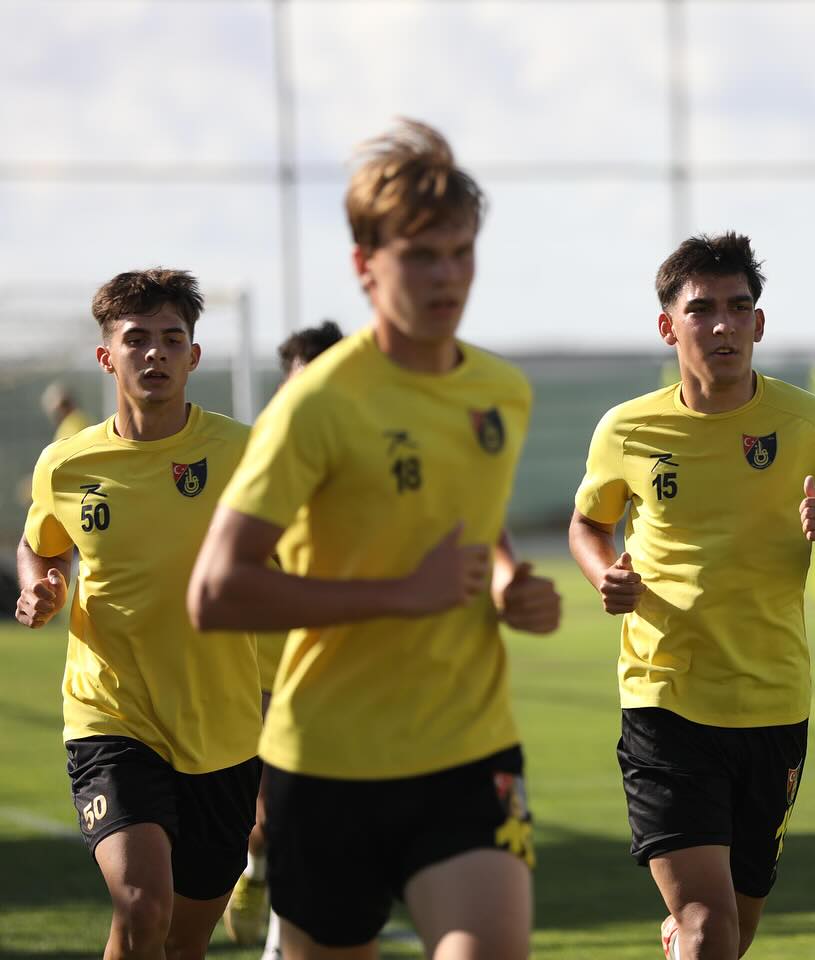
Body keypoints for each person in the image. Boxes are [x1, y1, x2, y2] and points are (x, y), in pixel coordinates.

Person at [186, 118, 560, 960]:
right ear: (365, 265)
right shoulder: (318, 403)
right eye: (421, 256)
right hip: (329, 766)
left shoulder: (503, 392)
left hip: (469, 750)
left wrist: (509, 584)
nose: (447, 275)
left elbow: (467, 515)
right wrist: (399, 594)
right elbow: (214, 591)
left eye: (460, 252)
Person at [569, 232, 815, 960]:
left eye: (739, 308)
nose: (723, 326)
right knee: (710, 926)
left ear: (759, 323)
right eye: (702, 309)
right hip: (665, 696)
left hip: (774, 703)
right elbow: (587, 525)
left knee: (732, 932)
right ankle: (689, 931)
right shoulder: (627, 428)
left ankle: (683, 938)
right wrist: (604, 573)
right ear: (667, 326)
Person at [15, 268, 261, 960]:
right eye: (137, 339)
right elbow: (40, 546)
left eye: (172, 339)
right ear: (107, 356)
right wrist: (40, 586)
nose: (155, 353)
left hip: (223, 728)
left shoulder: (244, 453)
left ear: (194, 355)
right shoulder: (66, 464)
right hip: (111, 716)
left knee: (184, 941)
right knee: (142, 904)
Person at [222, 319, 344, 955]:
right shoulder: (251, 458)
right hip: (258, 670)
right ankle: (255, 864)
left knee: (312, 816)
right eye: (301, 382)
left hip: (334, 670)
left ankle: (279, 942)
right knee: (267, 818)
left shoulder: (362, 461)